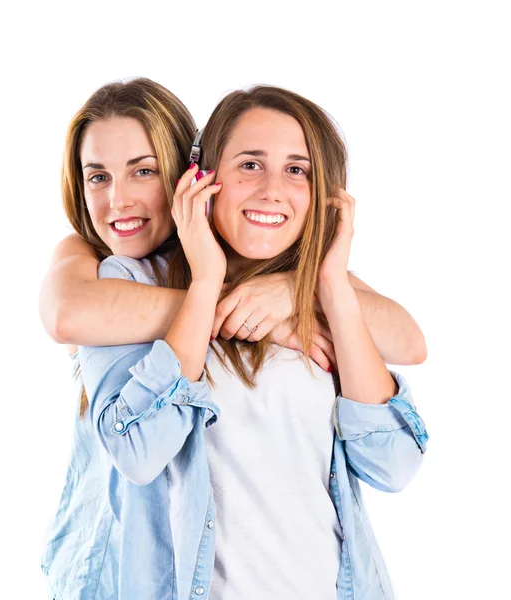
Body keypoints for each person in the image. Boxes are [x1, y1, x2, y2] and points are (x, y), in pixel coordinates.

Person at [41, 79, 428, 599]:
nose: (119, 197)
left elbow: (408, 360)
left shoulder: (309, 285)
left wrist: (312, 287)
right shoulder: (114, 273)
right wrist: (218, 296)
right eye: (250, 164)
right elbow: (69, 319)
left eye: (143, 170)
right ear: (204, 176)